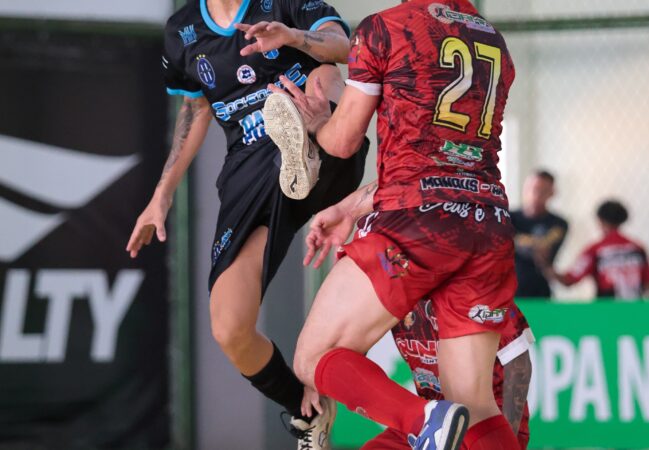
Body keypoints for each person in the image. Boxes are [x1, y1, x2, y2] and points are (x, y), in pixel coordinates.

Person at [264, 0, 522, 448]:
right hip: (488, 222)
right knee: (476, 406)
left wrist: (318, 125)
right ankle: (435, 421)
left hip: (413, 222)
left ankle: (424, 421)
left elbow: (344, 141)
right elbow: (449, 162)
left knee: (314, 356)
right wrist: (352, 207)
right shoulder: (493, 39)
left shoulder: (384, 28)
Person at [125, 1, 368, 447]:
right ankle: (307, 413)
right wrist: (162, 193)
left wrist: (293, 37)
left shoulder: (282, 4)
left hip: (321, 128)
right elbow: (196, 110)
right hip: (251, 168)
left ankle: (310, 147)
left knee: (323, 75)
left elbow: (346, 47)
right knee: (229, 327)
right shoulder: (182, 31)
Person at [363, 299, 534, 450]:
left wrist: (503, 436)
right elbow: (351, 343)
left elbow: (519, 365)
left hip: (484, 418)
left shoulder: (481, 293)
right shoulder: (396, 298)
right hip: (433, 418)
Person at [546, 200, 649, 300]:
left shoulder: (595, 250)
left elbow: (569, 280)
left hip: (606, 312)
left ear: (599, 220)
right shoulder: (637, 248)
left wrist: (545, 265)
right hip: (635, 312)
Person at [511, 170, 569, 299]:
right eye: (532, 189)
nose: (536, 194)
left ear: (552, 192)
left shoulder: (558, 223)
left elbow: (546, 250)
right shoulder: (507, 218)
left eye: (542, 191)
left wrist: (520, 241)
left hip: (540, 291)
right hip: (507, 291)